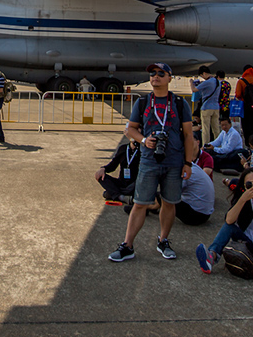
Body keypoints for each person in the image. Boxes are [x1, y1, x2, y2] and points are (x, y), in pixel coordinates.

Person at [108, 62, 196, 263]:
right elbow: (130, 129)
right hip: (149, 160)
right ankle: (127, 245)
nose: (155, 77)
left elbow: (189, 135)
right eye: (153, 74)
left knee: (169, 202)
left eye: (161, 73)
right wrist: (143, 140)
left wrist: (188, 163)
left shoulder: (180, 104)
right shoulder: (143, 102)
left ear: (169, 78)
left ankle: (163, 240)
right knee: (140, 203)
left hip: (174, 160)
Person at [195, 167, 253, 295]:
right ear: (244, 189)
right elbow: (229, 220)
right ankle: (211, 256)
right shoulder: (244, 202)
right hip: (248, 249)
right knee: (230, 226)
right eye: (249, 185)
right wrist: (243, 199)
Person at [95, 135, 140, 211]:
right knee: (101, 177)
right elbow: (113, 166)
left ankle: (114, 194)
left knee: (141, 182)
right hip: (122, 182)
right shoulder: (123, 148)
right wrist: (103, 169)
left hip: (134, 184)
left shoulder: (142, 151)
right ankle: (121, 197)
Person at [191, 65, 222, 146]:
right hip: (216, 107)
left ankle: (206, 146)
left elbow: (194, 90)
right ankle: (218, 145)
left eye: (202, 76)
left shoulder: (207, 82)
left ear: (204, 73)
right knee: (216, 129)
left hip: (206, 108)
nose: (202, 78)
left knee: (206, 129)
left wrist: (191, 83)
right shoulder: (218, 82)